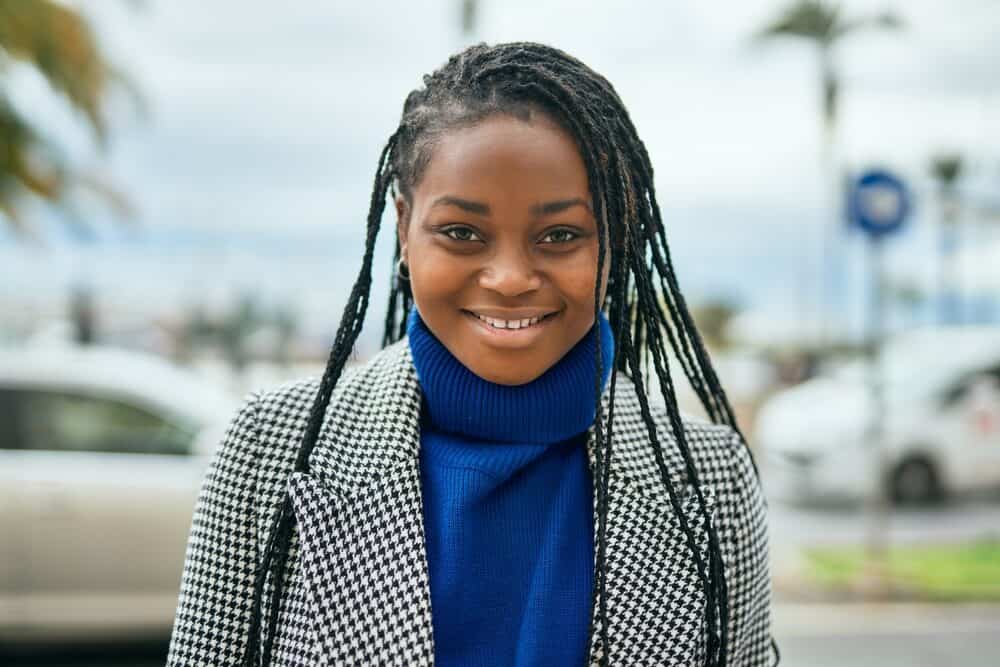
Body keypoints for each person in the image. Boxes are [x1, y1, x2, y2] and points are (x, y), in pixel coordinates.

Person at [166, 41, 779, 667]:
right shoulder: (275, 447)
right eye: (462, 232)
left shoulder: (708, 478)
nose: (510, 277)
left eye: (560, 235)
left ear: (615, 241)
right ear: (404, 230)